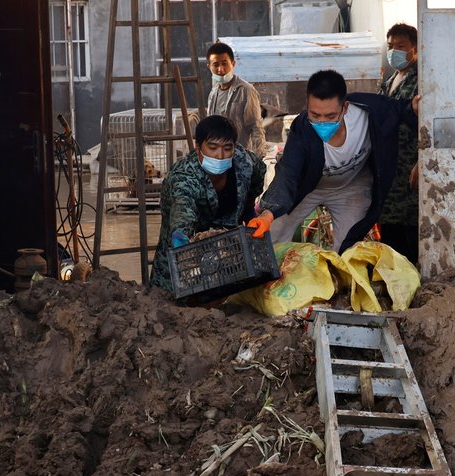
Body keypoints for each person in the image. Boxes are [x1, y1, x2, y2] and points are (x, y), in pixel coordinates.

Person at [246, 70, 419, 254]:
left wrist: (413, 109)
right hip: (308, 188)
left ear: (345, 107)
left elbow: (402, 109)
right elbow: (289, 173)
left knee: (348, 250)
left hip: (351, 187)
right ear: (307, 106)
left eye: (330, 116)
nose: (321, 122)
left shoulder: (371, 110)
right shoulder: (302, 129)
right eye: (315, 115)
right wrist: (267, 214)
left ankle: (340, 281)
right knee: (273, 233)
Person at [149, 115, 266, 294]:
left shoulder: (243, 161)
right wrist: (181, 239)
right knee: (173, 298)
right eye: (212, 148)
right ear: (198, 148)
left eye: (227, 148)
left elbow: (258, 174)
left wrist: (249, 211)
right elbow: (183, 211)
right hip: (187, 251)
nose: (220, 155)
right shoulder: (184, 177)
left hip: (228, 249)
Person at [377, 23, 420, 264]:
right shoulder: (390, 80)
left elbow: (429, 125)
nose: (395, 51)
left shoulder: (422, 80)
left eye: (401, 46)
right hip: (389, 170)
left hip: (409, 169)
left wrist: (421, 161)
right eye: (391, 46)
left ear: (414, 48)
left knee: (411, 230)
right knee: (390, 231)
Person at [206, 42, 266, 158]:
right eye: (215, 64)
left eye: (225, 63)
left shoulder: (246, 90)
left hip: (240, 157)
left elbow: (256, 128)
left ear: (233, 64)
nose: (221, 69)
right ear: (209, 67)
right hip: (218, 157)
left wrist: (257, 159)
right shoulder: (213, 93)